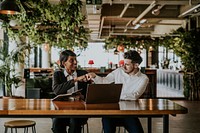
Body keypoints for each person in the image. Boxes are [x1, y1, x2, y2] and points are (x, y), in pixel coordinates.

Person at [86, 50, 149, 133]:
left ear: (136, 65)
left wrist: (113, 94)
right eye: (124, 63)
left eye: (127, 64)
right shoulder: (119, 71)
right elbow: (105, 81)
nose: (124, 66)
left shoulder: (144, 78)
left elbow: (134, 96)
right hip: (112, 111)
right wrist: (95, 76)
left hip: (129, 112)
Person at [52, 50, 90, 133]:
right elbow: (57, 90)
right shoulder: (57, 74)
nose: (75, 62)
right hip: (61, 109)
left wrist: (83, 96)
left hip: (79, 109)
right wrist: (75, 80)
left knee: (75, 123)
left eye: (75, 60)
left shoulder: (83, 73)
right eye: (71, 60)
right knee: (56, 125)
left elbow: (91, 93)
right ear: (64, 63)